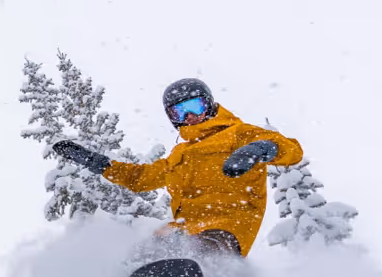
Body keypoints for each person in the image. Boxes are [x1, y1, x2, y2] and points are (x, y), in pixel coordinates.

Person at [51, 78, 302, 257]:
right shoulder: (179, 156)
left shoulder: (238, 133)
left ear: (209, 105)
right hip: (184, 227)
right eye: (179, 112)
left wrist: (260, 149)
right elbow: (140, 178)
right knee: (140, 255)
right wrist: (99, 163)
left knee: (202, 252)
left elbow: (291, 151)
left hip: (228, 223)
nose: (189, 117)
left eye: (195, 107)